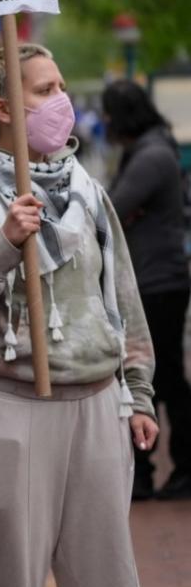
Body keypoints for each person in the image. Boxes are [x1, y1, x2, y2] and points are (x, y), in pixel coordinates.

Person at [0, 44, 159, 587]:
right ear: (4, 108)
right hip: (6, 403)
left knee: (108, 586)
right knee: (14, 585)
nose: (63, 101)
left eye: (60, 87)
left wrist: (139, 392)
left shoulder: (88, 191)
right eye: (45, 91)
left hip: (98, 403)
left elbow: (123, 298)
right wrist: (4, 243)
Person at [104, 79, 191, 500]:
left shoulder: (151, 156)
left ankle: (160, 468)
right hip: (157, 278)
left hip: (156, 281)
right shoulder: (152, 149)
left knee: (160, 378)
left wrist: (126, 213)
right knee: (165, 377)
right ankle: (157, 468)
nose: (103, 123)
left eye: (108, 114)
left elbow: (110, 208)